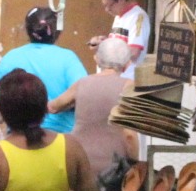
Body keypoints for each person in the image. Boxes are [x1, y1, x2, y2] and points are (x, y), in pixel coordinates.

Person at [0, 6, 87, 138]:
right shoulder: (68, 58)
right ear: (57, 31)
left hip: (19, 139)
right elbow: (83, 90)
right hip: (61, 138)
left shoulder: (11, 58)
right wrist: (55, 106)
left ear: (27, 30)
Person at [53, 36, 136, 172]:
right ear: (127, 64)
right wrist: (135, 164)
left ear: (97, 60)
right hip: (114, 167)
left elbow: (54, 106)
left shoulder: (82, 83)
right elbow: (130, 135)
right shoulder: (129, 87)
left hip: (79, 160)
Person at [90, 0, 148, 78]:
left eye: (110, 5)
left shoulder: (138, 17)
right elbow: (119, 43)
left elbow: (134, 52)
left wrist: (107, 51)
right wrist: (101, 43)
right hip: (112, 77)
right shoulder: (119, 16)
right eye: (105, 6)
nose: (107, 10)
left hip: (125, 80)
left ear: (121, 0)